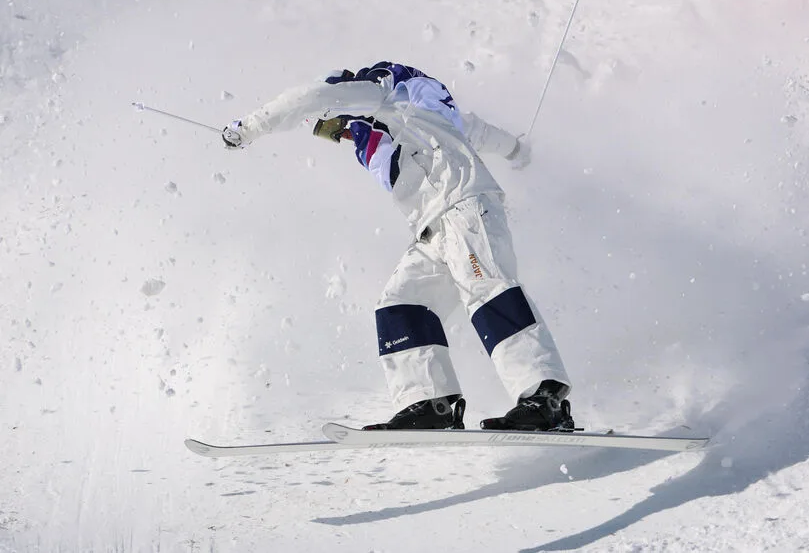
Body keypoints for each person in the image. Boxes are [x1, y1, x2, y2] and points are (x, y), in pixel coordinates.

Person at [221, 61, 574, 431]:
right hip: (433, 228)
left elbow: (309, 98)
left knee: (486, 290)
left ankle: (543, 398)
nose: (337, 135)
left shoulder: (382, 96)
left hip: (463, 209)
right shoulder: (426, 113)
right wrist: (517, 151)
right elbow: (483, 133)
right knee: (401, 305)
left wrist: (247, 129)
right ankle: (429, 403)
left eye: (331, 126)